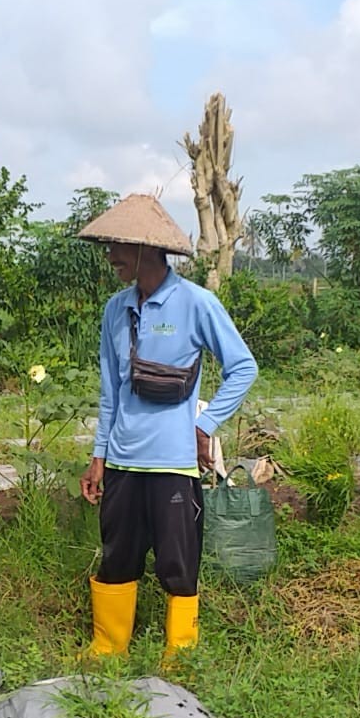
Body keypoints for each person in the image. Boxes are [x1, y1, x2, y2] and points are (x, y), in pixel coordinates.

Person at [77, 194, 258, 663]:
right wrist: (98, 456)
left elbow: (243, 367)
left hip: (174, 464)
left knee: (179, 565)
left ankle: (180, 654)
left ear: (147, 249)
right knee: (118, 556)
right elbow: (111, 391)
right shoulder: (115, 310)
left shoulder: (197, 303)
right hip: (121, 460)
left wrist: (206, 424)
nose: (112, 256)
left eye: (119, 246)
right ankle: (107, 647)